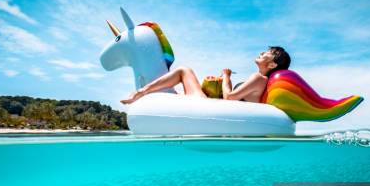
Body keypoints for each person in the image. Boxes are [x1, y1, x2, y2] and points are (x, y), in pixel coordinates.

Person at [120, 46, 291, 104]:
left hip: (216, 109)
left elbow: (230, 98)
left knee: (184, 71)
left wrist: (226, 77)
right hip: (218, 108)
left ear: (272, 64)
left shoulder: (258, 78)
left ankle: (141, 92)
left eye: (269, 52)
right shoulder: (263, 81)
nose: (263, 52)